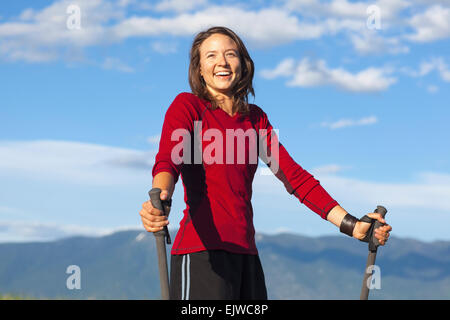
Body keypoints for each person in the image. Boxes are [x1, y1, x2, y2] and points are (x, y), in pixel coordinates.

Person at [139, 26, 392, 300]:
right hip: (201, 254)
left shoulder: (255, 119)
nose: (222, 62)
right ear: (199, 69)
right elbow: (168, 160)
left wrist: (352, 225)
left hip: (247, 255)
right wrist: (161, 199)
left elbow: (295, 178)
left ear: (243, 64)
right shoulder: (188, 106)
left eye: (230, 54)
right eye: (210, 56)